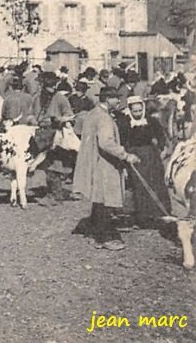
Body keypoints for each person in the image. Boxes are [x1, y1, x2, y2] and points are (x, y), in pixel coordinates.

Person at [73, 87, 140, 251]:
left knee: (99, 198)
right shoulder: (104, 118)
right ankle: (104, 237)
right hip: (104, 164)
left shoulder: (92, 113)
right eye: (116, 98)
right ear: (108, 98)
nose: (118, 101)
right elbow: (106, 142)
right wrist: (125, 155)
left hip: (94, 161)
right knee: (106, 200)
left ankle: (93, 231)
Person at [121, 96, 170, 228]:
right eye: (134, 111)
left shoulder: (151, 120)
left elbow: (160, 135)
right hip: (135, 157)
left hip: (151, 155)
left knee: (155, 182)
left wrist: (162, 148)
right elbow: (122, 140)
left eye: (139, 110)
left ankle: (159, 213)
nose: (137, 114)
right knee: (139, 186)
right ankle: (142, 217)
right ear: (130, 110)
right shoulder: (125, 122)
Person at [31, 72, 75, 206]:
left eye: (53, 85)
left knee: (54, 165)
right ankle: (53, 193)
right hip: (41, 135)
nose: (52, 88)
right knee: (45, 165)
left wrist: (59, 120)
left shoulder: (61, 99)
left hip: (56, 135)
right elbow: (30, 114)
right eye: (48, 86)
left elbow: (70, 117)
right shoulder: (37, 98)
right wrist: (33, 121)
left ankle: (55, 195)